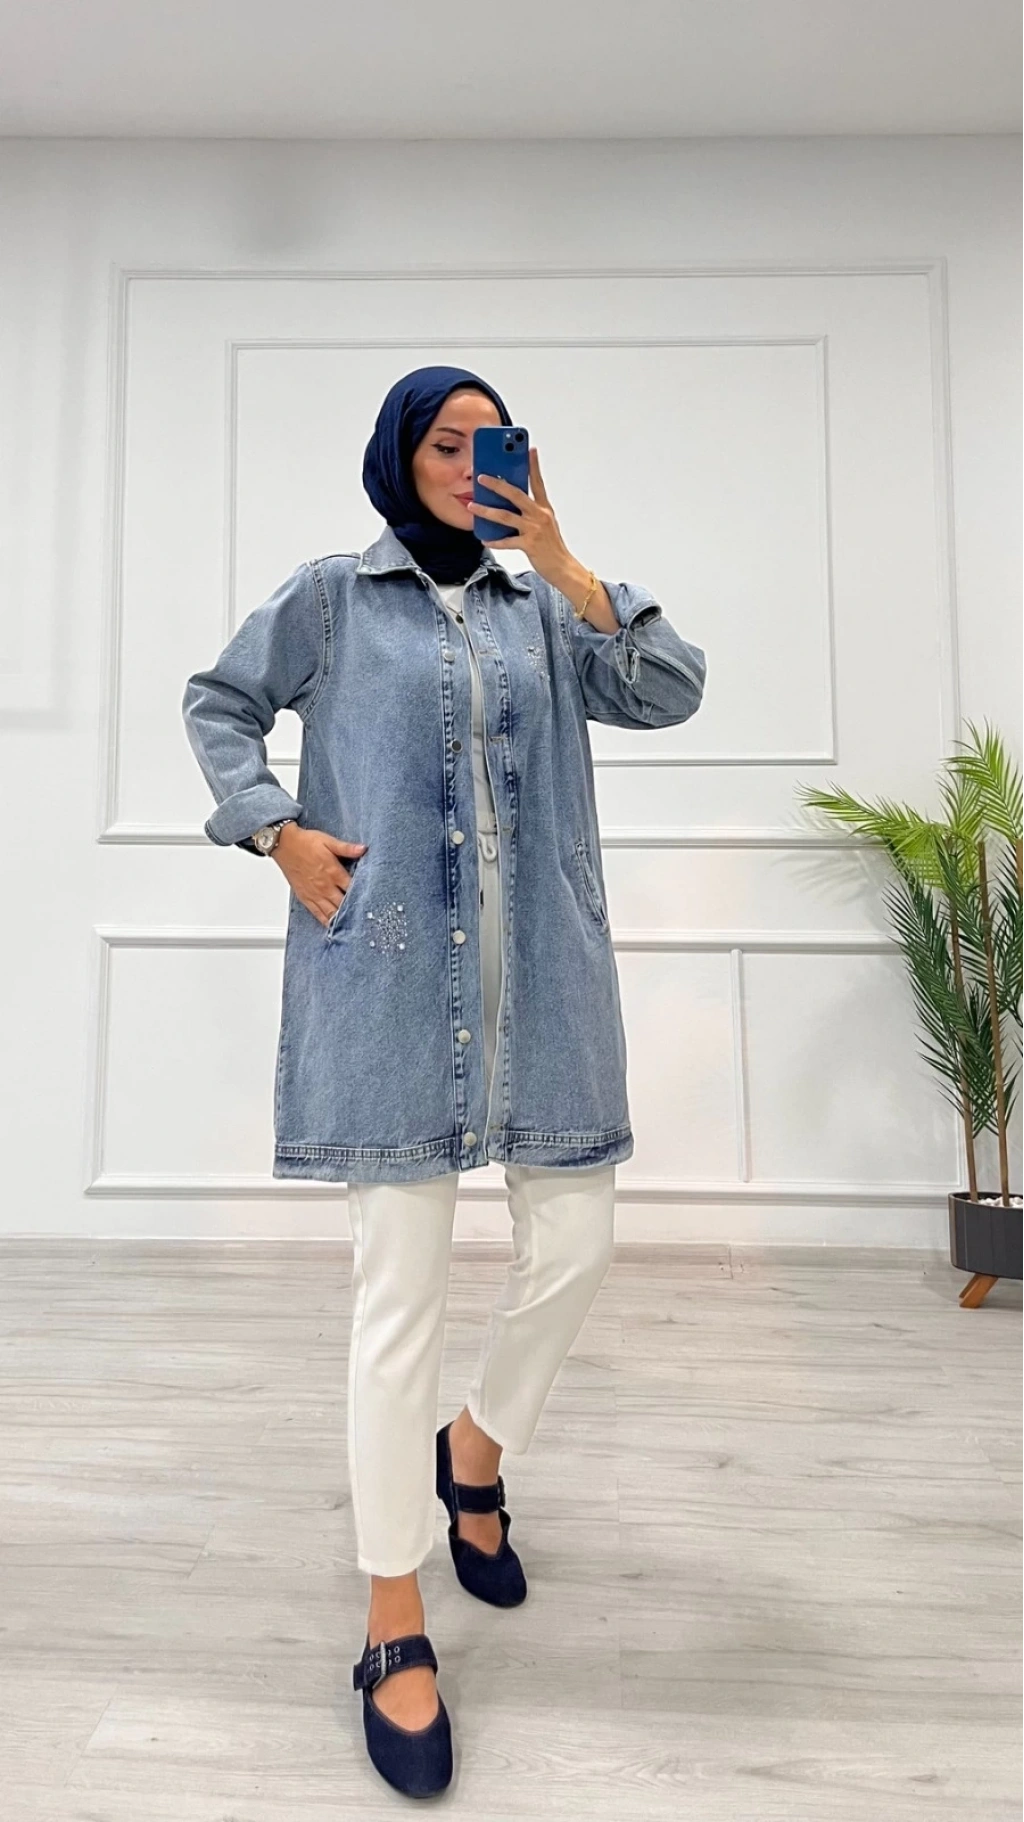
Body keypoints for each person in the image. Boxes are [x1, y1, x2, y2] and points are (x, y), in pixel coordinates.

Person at [181, 365, 707, 1798]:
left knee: (576, 1249)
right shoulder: (334, 599)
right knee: (397, 1304)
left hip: (545, 986)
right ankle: (392, 1614)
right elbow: (220, 703)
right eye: (447, 441)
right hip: (394, 987)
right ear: (399, 457)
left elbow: (672, 687)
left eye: (494, 442)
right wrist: (277, 831)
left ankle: (473, 1448)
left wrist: (570, 565)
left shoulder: (547, 611)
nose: (472, 462)